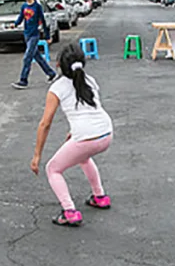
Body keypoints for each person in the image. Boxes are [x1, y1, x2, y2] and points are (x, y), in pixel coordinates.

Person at [30, 43, 113, 226]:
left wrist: (37, 156)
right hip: (106, 133)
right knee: (83, 157)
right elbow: (88, 110)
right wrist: (74, 132)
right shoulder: (89, 80)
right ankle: (99, 196)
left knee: (53, 169)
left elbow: (45, 124)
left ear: (58, 64)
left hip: (86, 137)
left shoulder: (57, 88)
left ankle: (69, 211)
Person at [11, 0, 56, 89]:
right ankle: (51, 73)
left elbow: (43, 21)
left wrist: (47, 36)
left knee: (27, 57)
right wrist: (15, 24)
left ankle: (23, 80)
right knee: (37, 57)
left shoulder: (37, 7)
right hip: (26, 34)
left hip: (34, 35)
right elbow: (21, 17)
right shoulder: (24, 6)